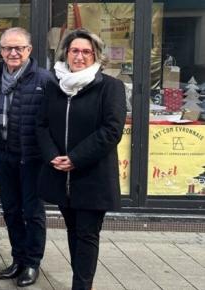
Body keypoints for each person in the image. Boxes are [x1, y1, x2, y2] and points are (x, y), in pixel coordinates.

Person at [37, 29, 126, 290]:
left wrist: (75, 158)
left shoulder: (110, 87)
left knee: (87, 234)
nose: (79, 56)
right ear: (66, 53)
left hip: (92, 175)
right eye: (75, 50)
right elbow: (41, 125)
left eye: (86, 51)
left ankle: (82, 285)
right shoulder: (54, 86)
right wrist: (53, 155)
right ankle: (82, 281)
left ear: (95, 55)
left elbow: (112, 130)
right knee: (73, 231)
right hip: (61, 175)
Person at [0, 27, 50, 287]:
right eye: (8, 48)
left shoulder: (44, 80)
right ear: (0, 51)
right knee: (10, 210)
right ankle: (18, 258)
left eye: (18, 48)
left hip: (31, 157)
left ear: (29, 50)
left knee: (32, 212)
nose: (13, 52)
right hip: (2, 152)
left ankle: (33, 263)